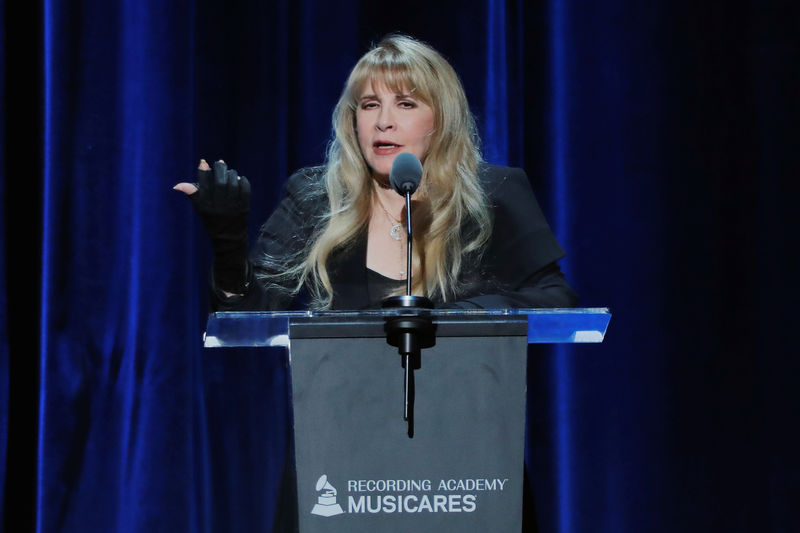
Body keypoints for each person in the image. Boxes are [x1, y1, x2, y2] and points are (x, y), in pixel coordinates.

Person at [175, 35, 577, 311]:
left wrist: (463, 317)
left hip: (465, 415)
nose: (383, 121)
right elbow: (247, 314)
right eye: (369, 105)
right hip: (344, 416)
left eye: (405, 104)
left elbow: (557, 299)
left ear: (440, 119)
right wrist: (227, 242)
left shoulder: (495, 192)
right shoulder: (315, 196)